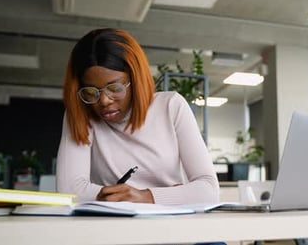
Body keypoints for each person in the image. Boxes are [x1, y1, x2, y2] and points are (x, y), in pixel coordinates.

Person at [56, 28, 219, 205]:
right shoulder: (81, 113)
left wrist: (144, 197)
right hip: (111, 226)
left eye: (115, 88)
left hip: (171, 226)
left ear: (136, 80)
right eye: (90, 91)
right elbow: (69, 191)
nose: (103, 101)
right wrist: (172, 195)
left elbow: (209, 190)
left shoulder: (171, 106)